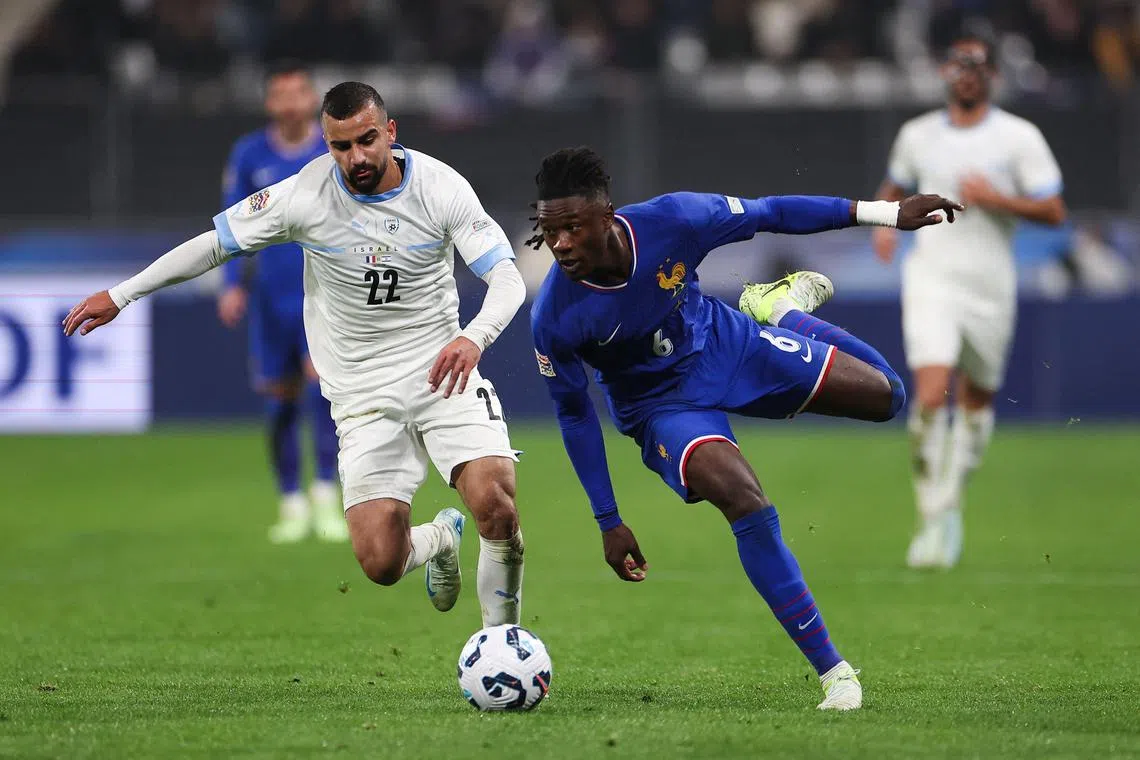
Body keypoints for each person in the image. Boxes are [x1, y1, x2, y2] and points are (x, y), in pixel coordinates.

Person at [63, 82, 527, 628]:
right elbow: (214, 244)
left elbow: (506, 277)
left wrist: (475, 337)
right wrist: (122, 294)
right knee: (382, 562)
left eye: (367, 140)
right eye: (340, 146)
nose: (356, 157)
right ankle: (441, 538)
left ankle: (503, 644)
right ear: (327, 144)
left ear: (390, 132)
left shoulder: (441, 187)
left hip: (442, 372)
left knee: (496, 503)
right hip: (362, 392)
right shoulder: (306, 195)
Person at [527, 146, 961, 711]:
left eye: (572, 228)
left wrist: (888, 213)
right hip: (662, 408)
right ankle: (835, 673)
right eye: (549, 232)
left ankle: (780, 310)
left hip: (729, 344)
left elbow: (770, 211)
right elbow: (573, 412)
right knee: (742, 495)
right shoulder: (555, 316)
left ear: (606, 215)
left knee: (888, 395)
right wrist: (608, 519)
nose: (560, 244)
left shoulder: (675, 220)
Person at [873, 35, 1067, 569]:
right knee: (930, 394)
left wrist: (996, 198)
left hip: (991, 286)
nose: (966, 73)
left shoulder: (1019, 137)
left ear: (992, 77)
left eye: (977, 66)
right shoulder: (917, 135)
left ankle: (950, 503)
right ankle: (930, 515)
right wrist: (884, 223)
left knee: (976, 401)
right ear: (945, 72)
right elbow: (893, 186)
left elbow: (1054, 210)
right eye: (958, 64)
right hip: (931, 279)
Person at [216, 61, 342, 544]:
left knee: (323, 395)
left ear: (312, 100)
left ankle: (326, 496)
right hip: (271, 300)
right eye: (280, 95)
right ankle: (290, 502)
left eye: (297, 93)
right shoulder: (249, 154)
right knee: (280, 405)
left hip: (324, 296)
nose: (289, 103)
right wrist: (232, 283)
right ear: (270, 103)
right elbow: (233, 224)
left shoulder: (331, 151)